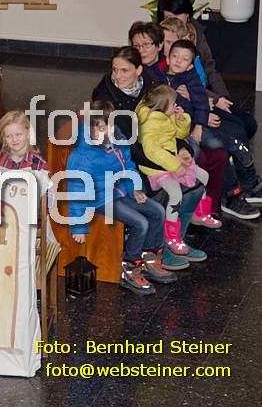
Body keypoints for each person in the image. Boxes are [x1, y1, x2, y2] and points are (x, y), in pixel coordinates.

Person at [92, 47, 212, 268]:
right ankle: (161, 247)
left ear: (139, 70)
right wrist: (169, 161)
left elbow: (166, 124)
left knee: (195, 176)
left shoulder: (150, 85)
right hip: (130, 162)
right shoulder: (106, 98)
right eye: (115, 70)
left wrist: (181, 149)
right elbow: (127, 147)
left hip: (157, 152)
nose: (118, 76)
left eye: (125, 70)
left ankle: (176, 240)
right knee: (173, 188)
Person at [127, 26, 258, 220]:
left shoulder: (179, 72)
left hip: (190, 119)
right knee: (214, 145)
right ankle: (229, 194)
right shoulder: (149, 73)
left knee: (240, 125)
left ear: (159, 46)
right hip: (173, 128)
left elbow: (199, 97)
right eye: (136, 45)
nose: (141, 49)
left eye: (146, 44)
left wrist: (201, 119)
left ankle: (246, 184)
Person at [67, 101, 177, 295]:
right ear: (89, 127)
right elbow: (76, 190)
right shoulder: (82, 155)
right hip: (100, 199)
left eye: (109, 126)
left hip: (121, 191)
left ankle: (150, 258)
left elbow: (128, 166)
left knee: (158, 211)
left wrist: (135, 188)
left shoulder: (117, 139)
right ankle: (130, 268)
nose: (106, 132)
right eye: (100, 128)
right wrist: (78, 225)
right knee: (140, 223)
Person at [153, 40, 262, 209]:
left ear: (190, 65)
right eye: (175, 56)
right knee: (212, 141)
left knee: (212, 141)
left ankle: (232, 146)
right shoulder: (159, 77)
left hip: (191, 123)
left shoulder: (190, 78)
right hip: (174, 126)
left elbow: (202, 102)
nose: (178, 61)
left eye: (184, 59)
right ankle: (231, 144)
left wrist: (199, 124)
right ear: (167, 58)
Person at [137, 85, 215, 258]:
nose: (176, 106)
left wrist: (182, 120)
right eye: (173, 104)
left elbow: (179, 135)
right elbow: (152, 152)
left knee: (204, 176)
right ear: (163, 105)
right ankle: (171, 236)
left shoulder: (166, 116)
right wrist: (175, 165)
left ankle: (199, 213)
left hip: (171, 161)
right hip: (157, 169)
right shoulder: (150, 124)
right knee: (176, 194)